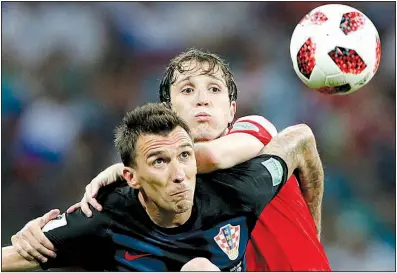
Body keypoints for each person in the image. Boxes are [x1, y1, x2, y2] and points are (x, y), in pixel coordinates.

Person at [10, 49, 331, 270]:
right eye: (188, 90)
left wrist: (312, 232)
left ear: (232, 109)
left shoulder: (256, 136)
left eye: (215, 89)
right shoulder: (154, 204)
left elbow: (299, 139)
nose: (203, 98)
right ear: (168, 111)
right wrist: (35, 238)